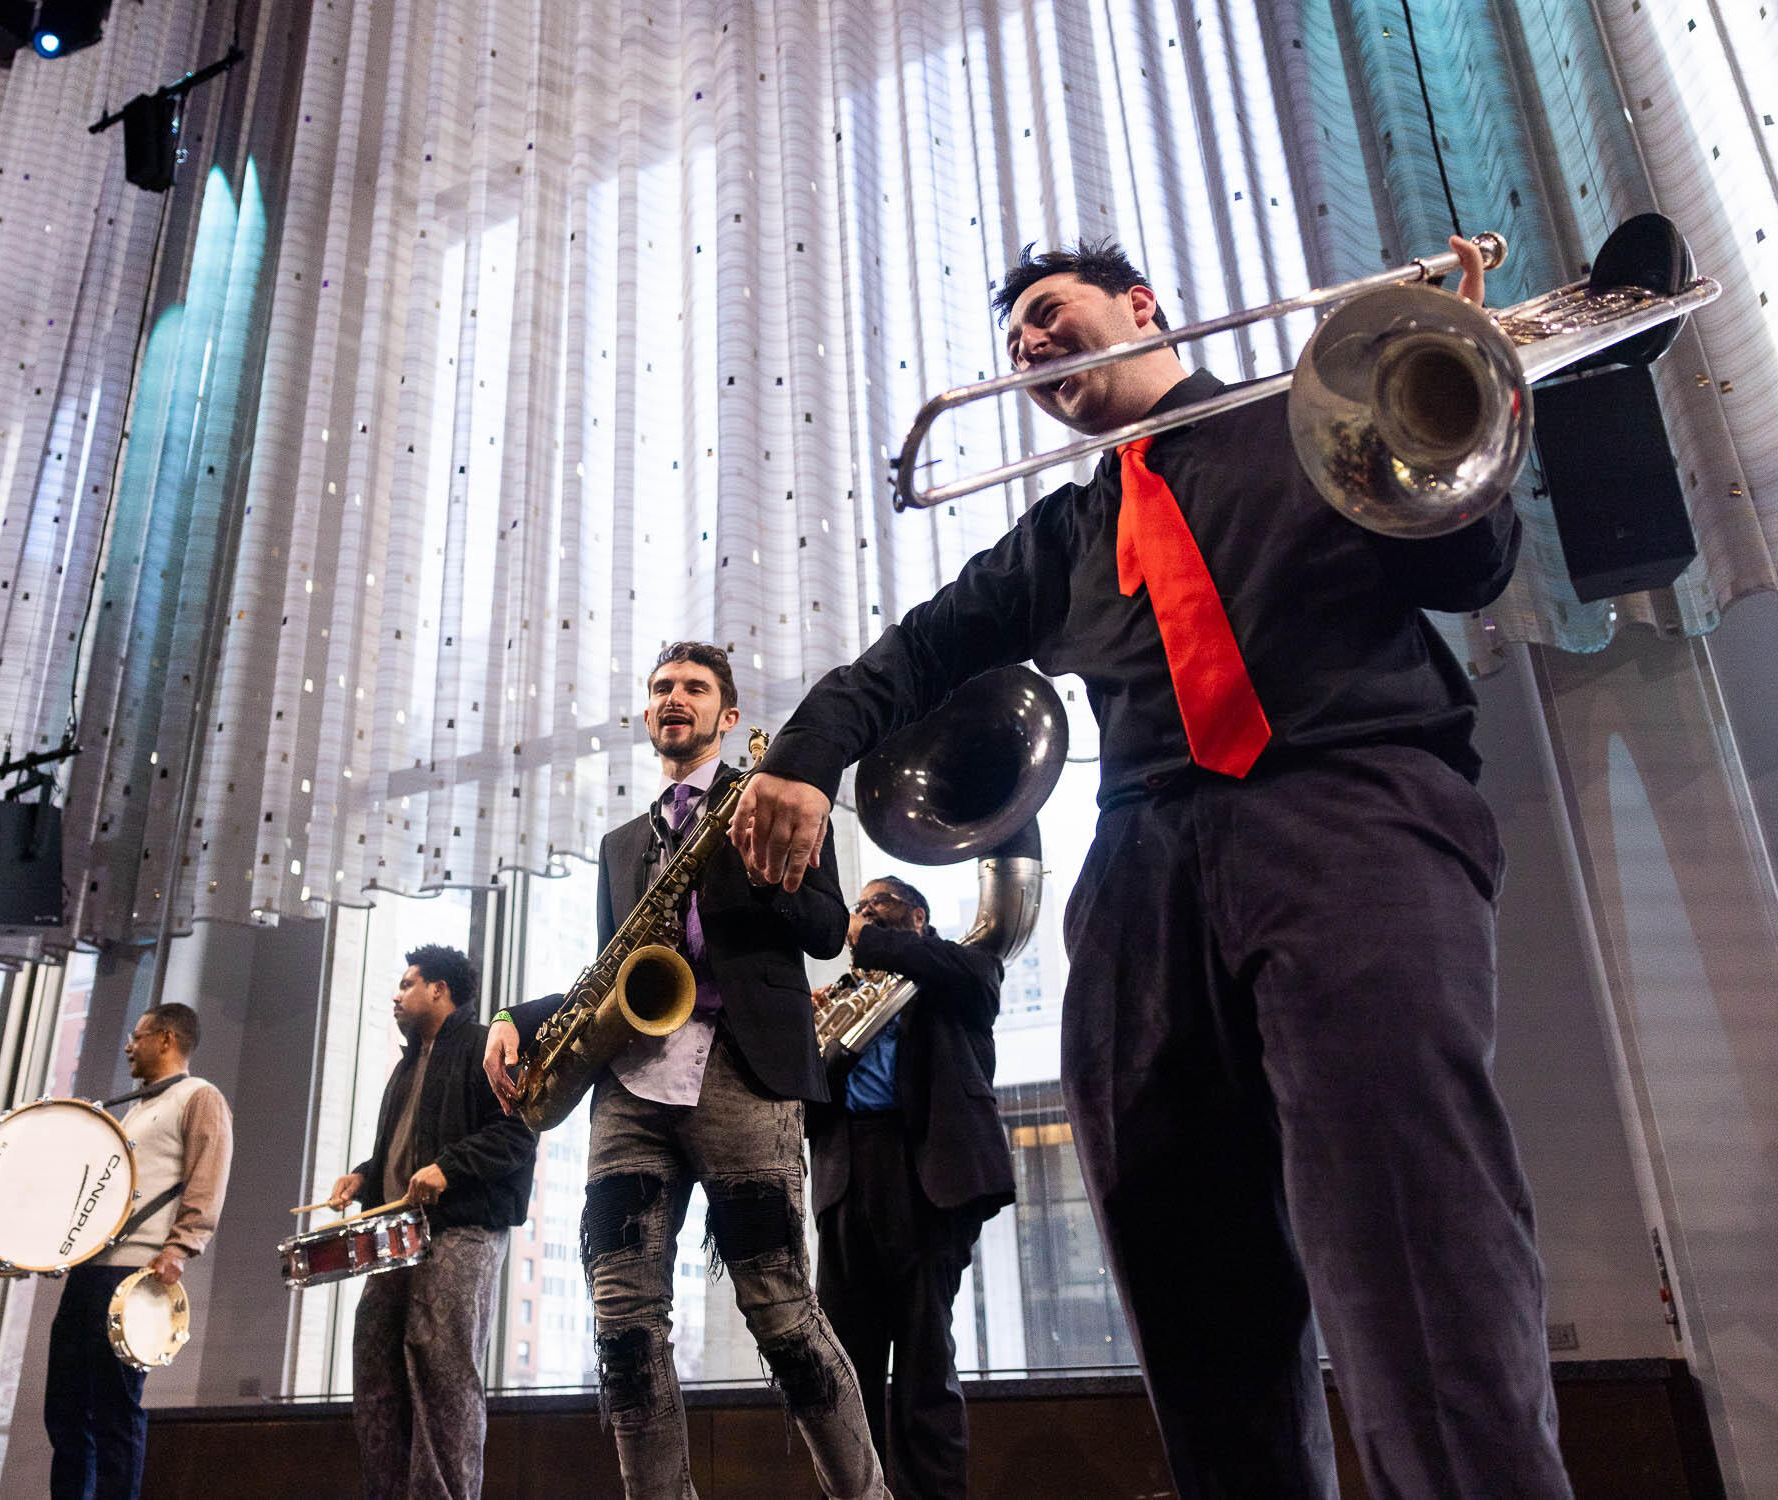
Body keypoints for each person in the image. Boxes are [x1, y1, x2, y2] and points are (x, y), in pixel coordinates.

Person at [733, 239, 1578, 1498]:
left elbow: (1469, 568)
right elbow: (911, 653)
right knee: (1177, 1247)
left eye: (1046, 312)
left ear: (1140, 307)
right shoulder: (1069, 529)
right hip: (1140, 855)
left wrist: (1448, 396)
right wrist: (804, 759)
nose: (1027, 345)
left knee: (1402, 1217)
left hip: (1346, 802)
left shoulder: (1312, 414)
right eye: (1012, 341)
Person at [484, 642, 886, 1500]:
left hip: (742, 1074)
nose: (676, 697)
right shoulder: (621, 844)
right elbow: (611, 971)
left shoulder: (769, 797)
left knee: (780, 1310)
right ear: (647, 714)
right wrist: (513, 1017)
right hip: (630, 1085)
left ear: (726, 717)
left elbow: (825, 931)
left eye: (695, 688)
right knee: (622, 1328)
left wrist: (764, 869)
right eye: (662, 687)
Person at [810, 876, 1015, 1500]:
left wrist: (863, 937)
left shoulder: (960, 967)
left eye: (880, 903)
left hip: (924, 1176)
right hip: (846, 1180)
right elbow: (806, 1101)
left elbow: (970, 975)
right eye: (860, 907)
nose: (865, 913)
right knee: (846, 1376)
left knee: (926, 1369)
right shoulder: (846, 994)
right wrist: (809, 1034)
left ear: (918, 917)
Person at [329, 944, 538, 1500]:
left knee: (444, 1374)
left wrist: (450, 1168)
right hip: (397, 1236)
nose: (397, 996)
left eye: (408, 984)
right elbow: (410, 1150)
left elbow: (518, 1133)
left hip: (462, 1230)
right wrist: (363, 1176)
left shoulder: (482, 1047)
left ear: (440, 990)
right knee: (376, 1371)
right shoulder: (406, 1066)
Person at [44, 1002, 232, 1500]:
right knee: (64, 1410)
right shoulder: (137, 1108)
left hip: (132, 1274)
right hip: (91, 1270)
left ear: (166, 1038)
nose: (129, 1045)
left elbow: (207, 1179)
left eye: (139, 1035)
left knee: (114, 1411)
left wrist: (180, 1247)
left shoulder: (199, 1096)